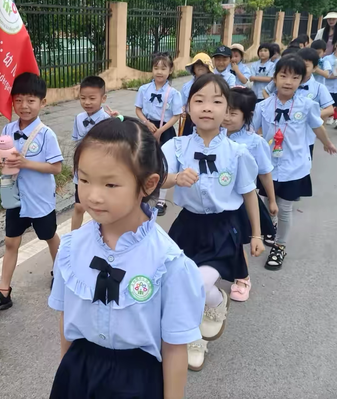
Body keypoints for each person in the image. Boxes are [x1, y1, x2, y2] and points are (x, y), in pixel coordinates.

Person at [48, 117, 205, 399]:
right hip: (78, 373)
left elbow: (173, 347)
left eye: (110, 185)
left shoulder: (168, 262)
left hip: (138, 381)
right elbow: (65, 321)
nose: (93, 196)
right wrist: (65, 373)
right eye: (84, 179)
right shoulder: (71, 249)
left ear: (148, 184)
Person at [161, 74, 264, 371]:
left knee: (194, 282)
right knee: (180, 282)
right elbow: (152, 177)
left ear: (228, 110)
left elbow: (248, 193)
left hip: (223, 227)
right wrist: (175, 178)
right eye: (199, 100)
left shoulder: (237, 152)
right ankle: (216, 300)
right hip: (187, 226)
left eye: (216, 101)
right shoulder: (177, 147)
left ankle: (196, 337)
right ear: (188, 108)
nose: (207, 108)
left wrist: (256, 234)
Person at [252, 55, 336, 271]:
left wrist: (326, 143)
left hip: (294, 166)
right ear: (275, 78)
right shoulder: (263, 106)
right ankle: (271, 229)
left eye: (295, 77)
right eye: (283, 76)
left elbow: (318, 127)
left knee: (285, 207)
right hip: (268, 166)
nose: (288, 81)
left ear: (302, 80)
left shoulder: (307, 105)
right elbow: (252, 131)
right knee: (265, 201)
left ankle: (280, 246)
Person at [0, 73, 63, 312]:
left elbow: (56, 167)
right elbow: (4, 159)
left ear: (43, 102)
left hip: (40, 200)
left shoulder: (46, 134)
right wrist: (1, 162)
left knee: (49, 236)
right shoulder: (8, 128)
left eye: (31, 100)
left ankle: (61, 272)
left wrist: (25, 163)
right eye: (18, 100)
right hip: (15, 198)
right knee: (11, 242)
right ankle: (4, 290)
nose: (24, 106)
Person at [223, 87, 277, 302]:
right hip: (218, 202)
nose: (226, 117)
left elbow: (265, 173)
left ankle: (242, 278)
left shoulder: (255, 143)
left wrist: (271, 199)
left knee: (236, 241)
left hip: (242, 202)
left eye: (233, 113)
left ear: (247, 116)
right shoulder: (211, 138)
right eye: (224, 110)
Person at [135, 52, 182, 216]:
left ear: (170, 70)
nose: (159, 72)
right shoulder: (143, 89)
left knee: (163, 163)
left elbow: (176, 115)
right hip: (147, 127)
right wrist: (146, 123)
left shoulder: (174, 93)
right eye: (156, 68)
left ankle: (161, 201)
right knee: (145, 161)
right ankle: (145, 193)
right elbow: (138, 109)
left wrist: (161, 130)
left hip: (165, 129)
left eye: (164, 68)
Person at [71, 76, 110, 230]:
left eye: (92, 98)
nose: (87, 102)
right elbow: (76, 143)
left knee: (101, 206)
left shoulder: (107, 120)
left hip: (100, 170)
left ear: (103, 98)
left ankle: (103, 235)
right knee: (78, 206)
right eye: (83, 98)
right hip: (82, 169)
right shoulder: (78, 118)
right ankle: (72, 239)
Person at [296, 48, 334, 158]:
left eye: (306, 66)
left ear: (314, 68)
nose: (302, 69)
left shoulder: (319, 88)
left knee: (303, 168)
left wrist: (309, 115)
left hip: (307, 136)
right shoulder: (288, 84)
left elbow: (330, 109)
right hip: (284, 135)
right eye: (299, 65)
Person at [181, 53, 214, 136]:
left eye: (203, 64)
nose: (200, 66)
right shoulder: (187, 86)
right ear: (193, 68)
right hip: (190, 119)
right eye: (197, 64)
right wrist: (182, 110)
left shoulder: (214, 85)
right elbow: (182, 102)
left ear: (208, 68)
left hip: (207, 117)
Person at [323, 43, 337, 127]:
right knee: (328, 107)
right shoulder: (327, 59)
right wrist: (334, 75)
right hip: (329, 88)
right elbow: (326, 74)